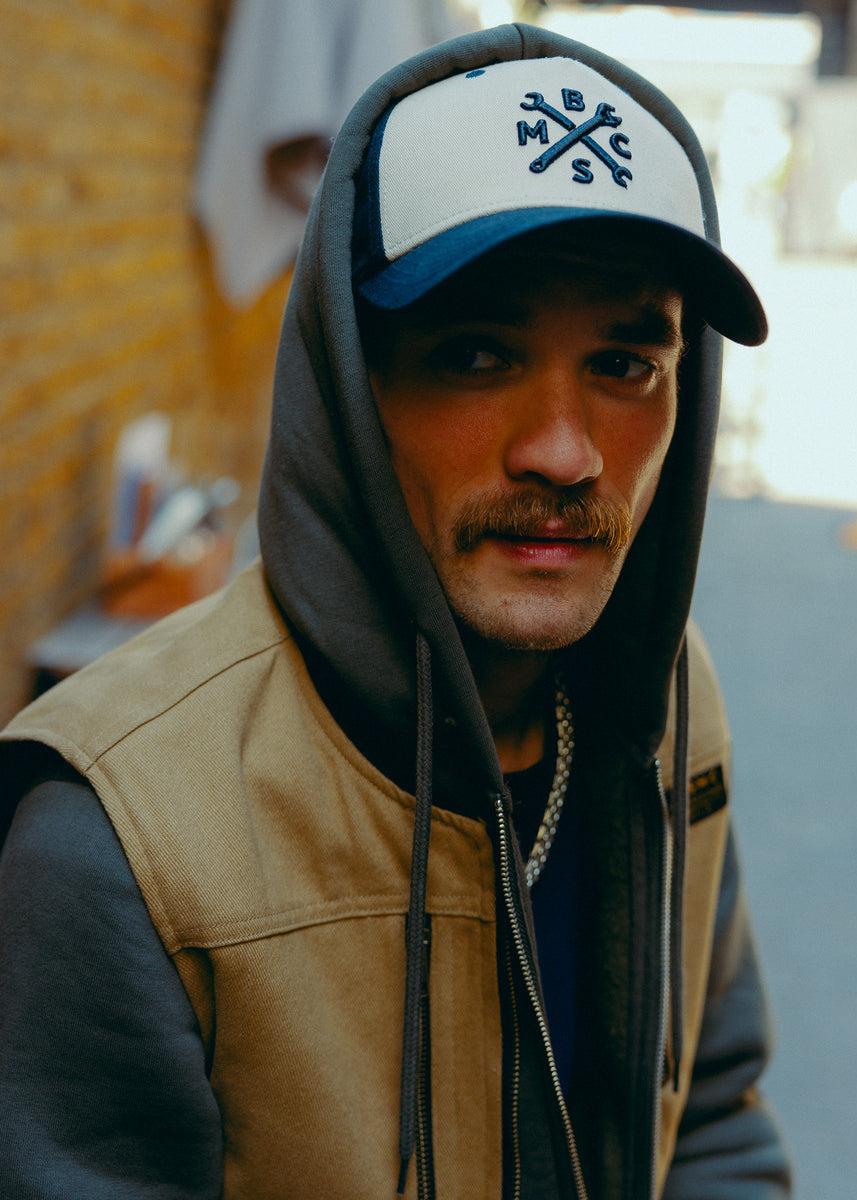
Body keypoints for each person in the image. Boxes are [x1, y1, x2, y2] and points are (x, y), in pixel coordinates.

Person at [0, 22, 791, 1200]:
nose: (566, 453)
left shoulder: (670, 704)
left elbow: (713, 1120)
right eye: (476, 353)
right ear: (347, 387)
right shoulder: (117, 841)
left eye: (627, 364)